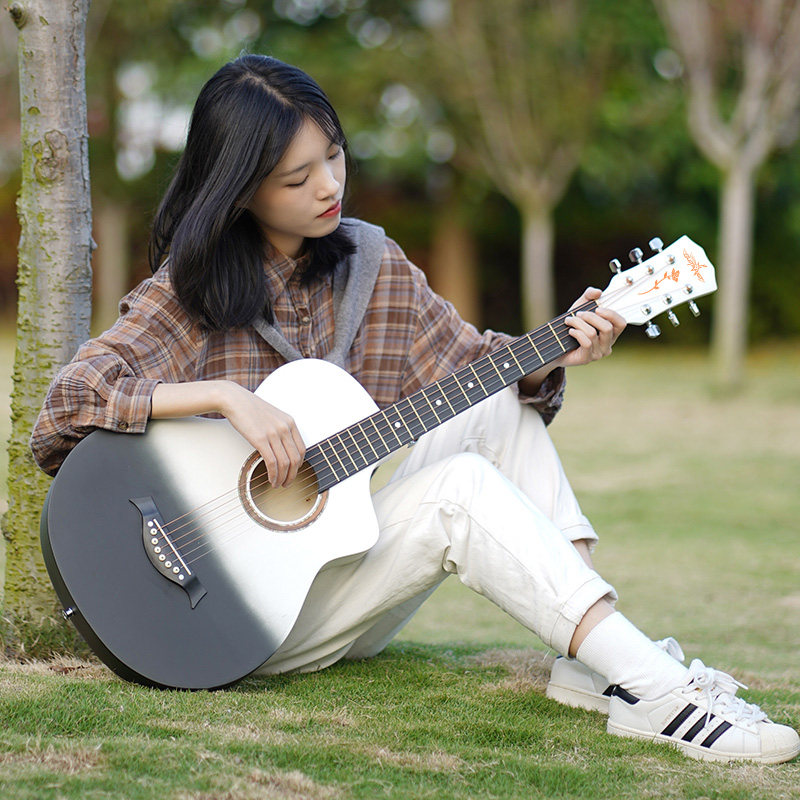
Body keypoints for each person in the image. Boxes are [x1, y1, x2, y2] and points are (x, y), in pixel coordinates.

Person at [30, 55, 798, 765]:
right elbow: (64, 407)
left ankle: (604, 667)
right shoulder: (189, 293)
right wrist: (225, 399)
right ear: (241, 191)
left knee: (497, 399)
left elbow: (472, 365)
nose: (329, 186)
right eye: (297, 178)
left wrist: (556, 351)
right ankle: (662, 693)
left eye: (334, 156)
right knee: (458, 491)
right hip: (238, 624)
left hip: (341, 577)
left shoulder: (372, 266)